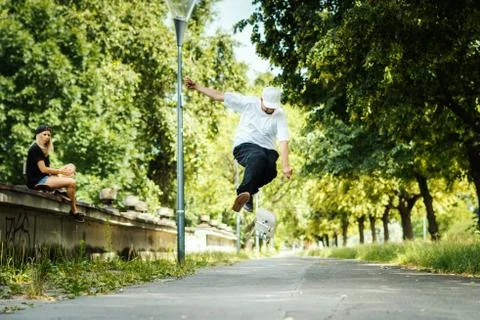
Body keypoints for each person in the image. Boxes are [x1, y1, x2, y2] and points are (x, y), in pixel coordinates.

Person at [185, 78, 293, 212]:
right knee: (258, 156)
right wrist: (197, 86)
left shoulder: (279, 114)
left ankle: (248, 193)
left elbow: (283, 139)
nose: (270, 110)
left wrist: (285, 165)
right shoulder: (248, 102)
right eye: (267, 107)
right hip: (245, 145)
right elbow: (219, 96)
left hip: (268, 150)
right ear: (261, 99)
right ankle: (243, 191)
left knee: (271, 171)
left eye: (272, 108)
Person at [26, 125, 84, 222]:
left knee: (71, 167)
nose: (47, 137)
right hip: (37, 181)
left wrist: (60, 173)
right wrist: (60, 172)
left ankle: (60, 190)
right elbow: (43, 169)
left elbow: (47, 170)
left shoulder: (43, 150)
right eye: (44, 134)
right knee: (71, 182)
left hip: (45, 177)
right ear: (38, 135)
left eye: (49, 135)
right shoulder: (35, 148)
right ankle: (74, 211)